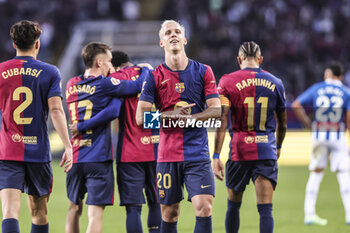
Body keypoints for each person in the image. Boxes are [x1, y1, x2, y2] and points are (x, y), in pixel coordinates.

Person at [136, 20, 221, 233]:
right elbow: (140, 118)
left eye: (177, 32)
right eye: (168, 33)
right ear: (161, 42)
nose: (173, 35)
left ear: (184, 39)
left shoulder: (204, 71)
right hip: (168, 155)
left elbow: (216, 110)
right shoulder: (153, 77)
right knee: (169, 212)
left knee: (204, 207)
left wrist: (190, 120)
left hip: (197, 154)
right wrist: (171, 116)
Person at [73, 50, 161, 233]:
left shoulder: (116, 79)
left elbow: (113, 110)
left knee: (134, 208)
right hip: (156, 149)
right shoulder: (154, 75)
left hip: (130, 151)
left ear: (114, 65)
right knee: (155, 203)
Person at [0, 20, 73, 233]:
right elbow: (57, 111)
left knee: (9, 211)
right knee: (39, 214)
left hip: (8, 151)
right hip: (38, 153)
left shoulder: (0, 71)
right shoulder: (50, 72)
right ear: (37, 44)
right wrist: (68, 146)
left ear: (14, 44)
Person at [213, 41, 287, 233]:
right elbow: (283, 124)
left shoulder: (227, 81)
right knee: (265, 210)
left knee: (233, 205)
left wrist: (215, 155)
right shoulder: (276, 82)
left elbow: (222, 120)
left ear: (239, 59)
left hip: (239, 151)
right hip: (266, 149)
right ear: (260, 59)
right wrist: (278, 147)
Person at [292, 62, 350, 226]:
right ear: (340, 76)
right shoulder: (346, 91)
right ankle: (349, 215)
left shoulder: (318, 88)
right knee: (344, 173)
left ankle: (309, 214)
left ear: (328, 74)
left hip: (319, 134)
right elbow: (349, 117)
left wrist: (308, 124)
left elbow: (296, 105)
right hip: (338, 135)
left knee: (316, 173)